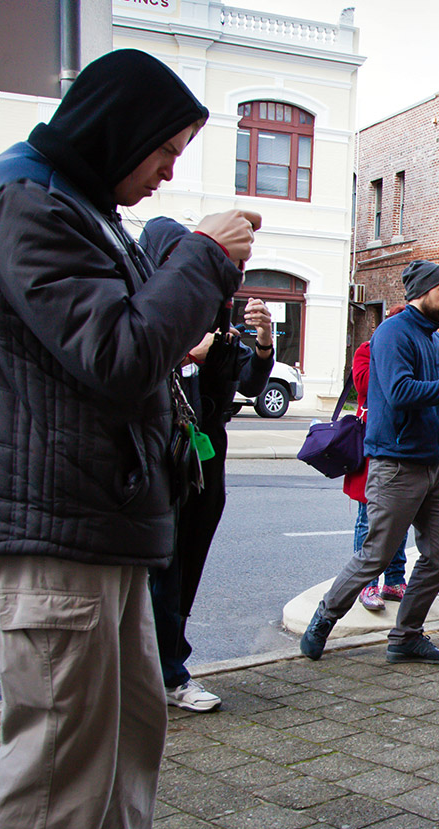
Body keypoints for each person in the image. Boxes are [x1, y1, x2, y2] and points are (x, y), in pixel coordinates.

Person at [0, 49, 259, 829]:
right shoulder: (24, 201)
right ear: (118, 129)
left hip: (100, 513)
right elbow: (118, 356)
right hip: (60, 522)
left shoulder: (72, 202)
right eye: (164, 149)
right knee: (55, 756)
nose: (167, 171)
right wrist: (202, 257)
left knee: (127, 723)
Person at [300, 261, 439, 664]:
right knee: (377, 555)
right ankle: (324, 617)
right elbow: (401, 392)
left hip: (435, 467)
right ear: (422, 292)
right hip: (396, 465)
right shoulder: (391, 334)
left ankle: (406, 636)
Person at [141, 217, 275, 713]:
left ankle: (166, 662)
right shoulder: (150, 308)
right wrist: (183, 354)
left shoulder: (212, 314)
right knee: (164, 569)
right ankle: (168, 672)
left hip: (206, 454)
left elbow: (249, 385)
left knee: (187, 566)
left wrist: (262, 342)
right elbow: (130, 368)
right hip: (162, 456)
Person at [345, 305, 411, 614]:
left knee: (401, 518)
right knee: (368, 518)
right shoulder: (366, 351)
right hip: (373, 446)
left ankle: (394, 580)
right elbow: (366, 388)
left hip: (405, 445)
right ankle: (366, 582)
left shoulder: (416, 352)